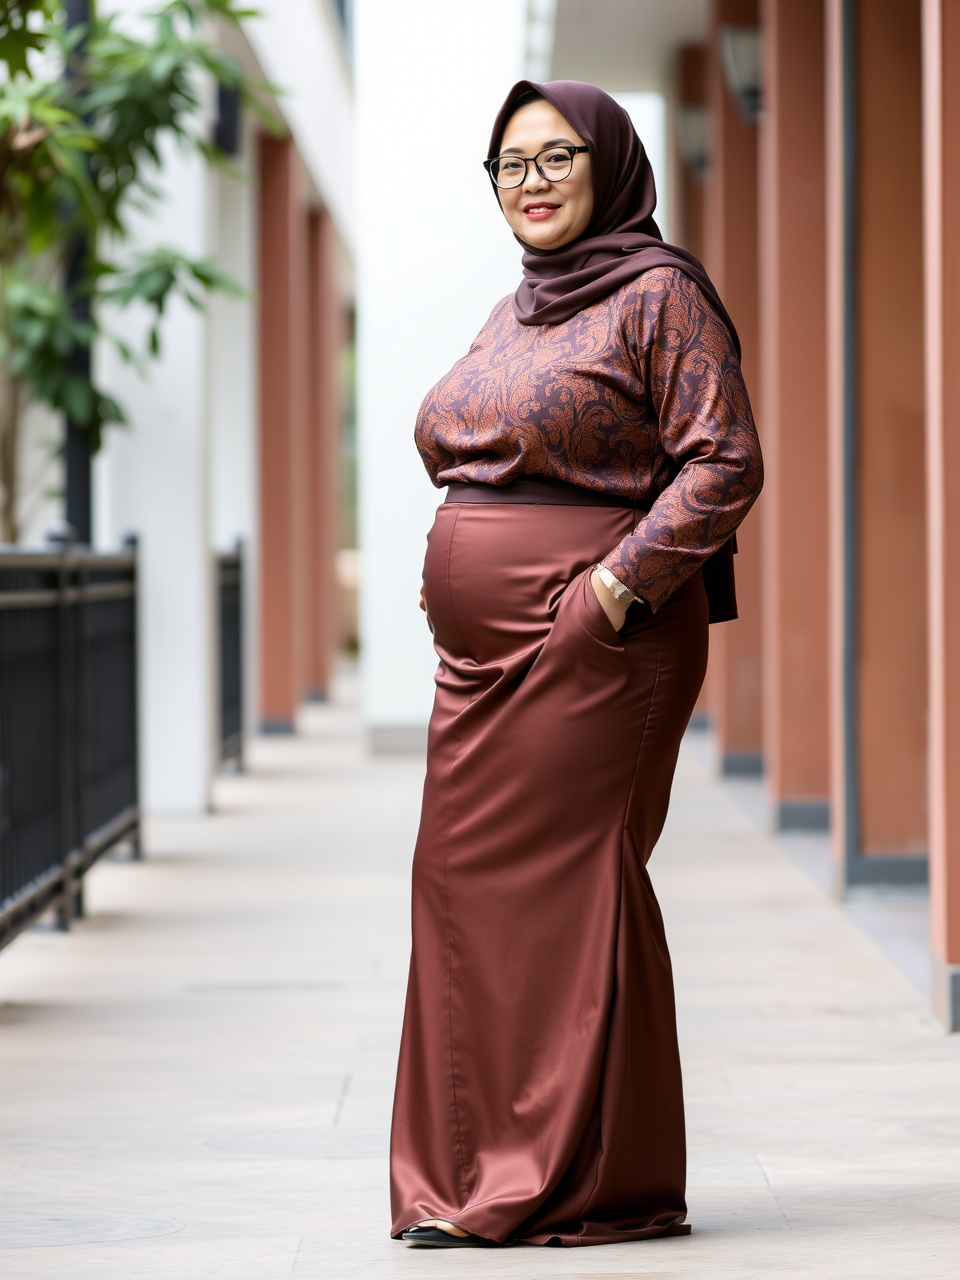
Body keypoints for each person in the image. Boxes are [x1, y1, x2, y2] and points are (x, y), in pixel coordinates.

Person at [390, 79, 763, 1249]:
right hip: (482, 655)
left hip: (597, 642)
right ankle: (478, 1170)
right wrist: (448, 566)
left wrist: (609, 591)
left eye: (557, 157)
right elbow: (484, 459)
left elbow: (725, 462)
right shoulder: (518, 308)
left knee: (562, 887)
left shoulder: (658, 294)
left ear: (609, 166)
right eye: (511, 164)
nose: (533, 180)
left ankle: (557, 1174)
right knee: (455, 882)